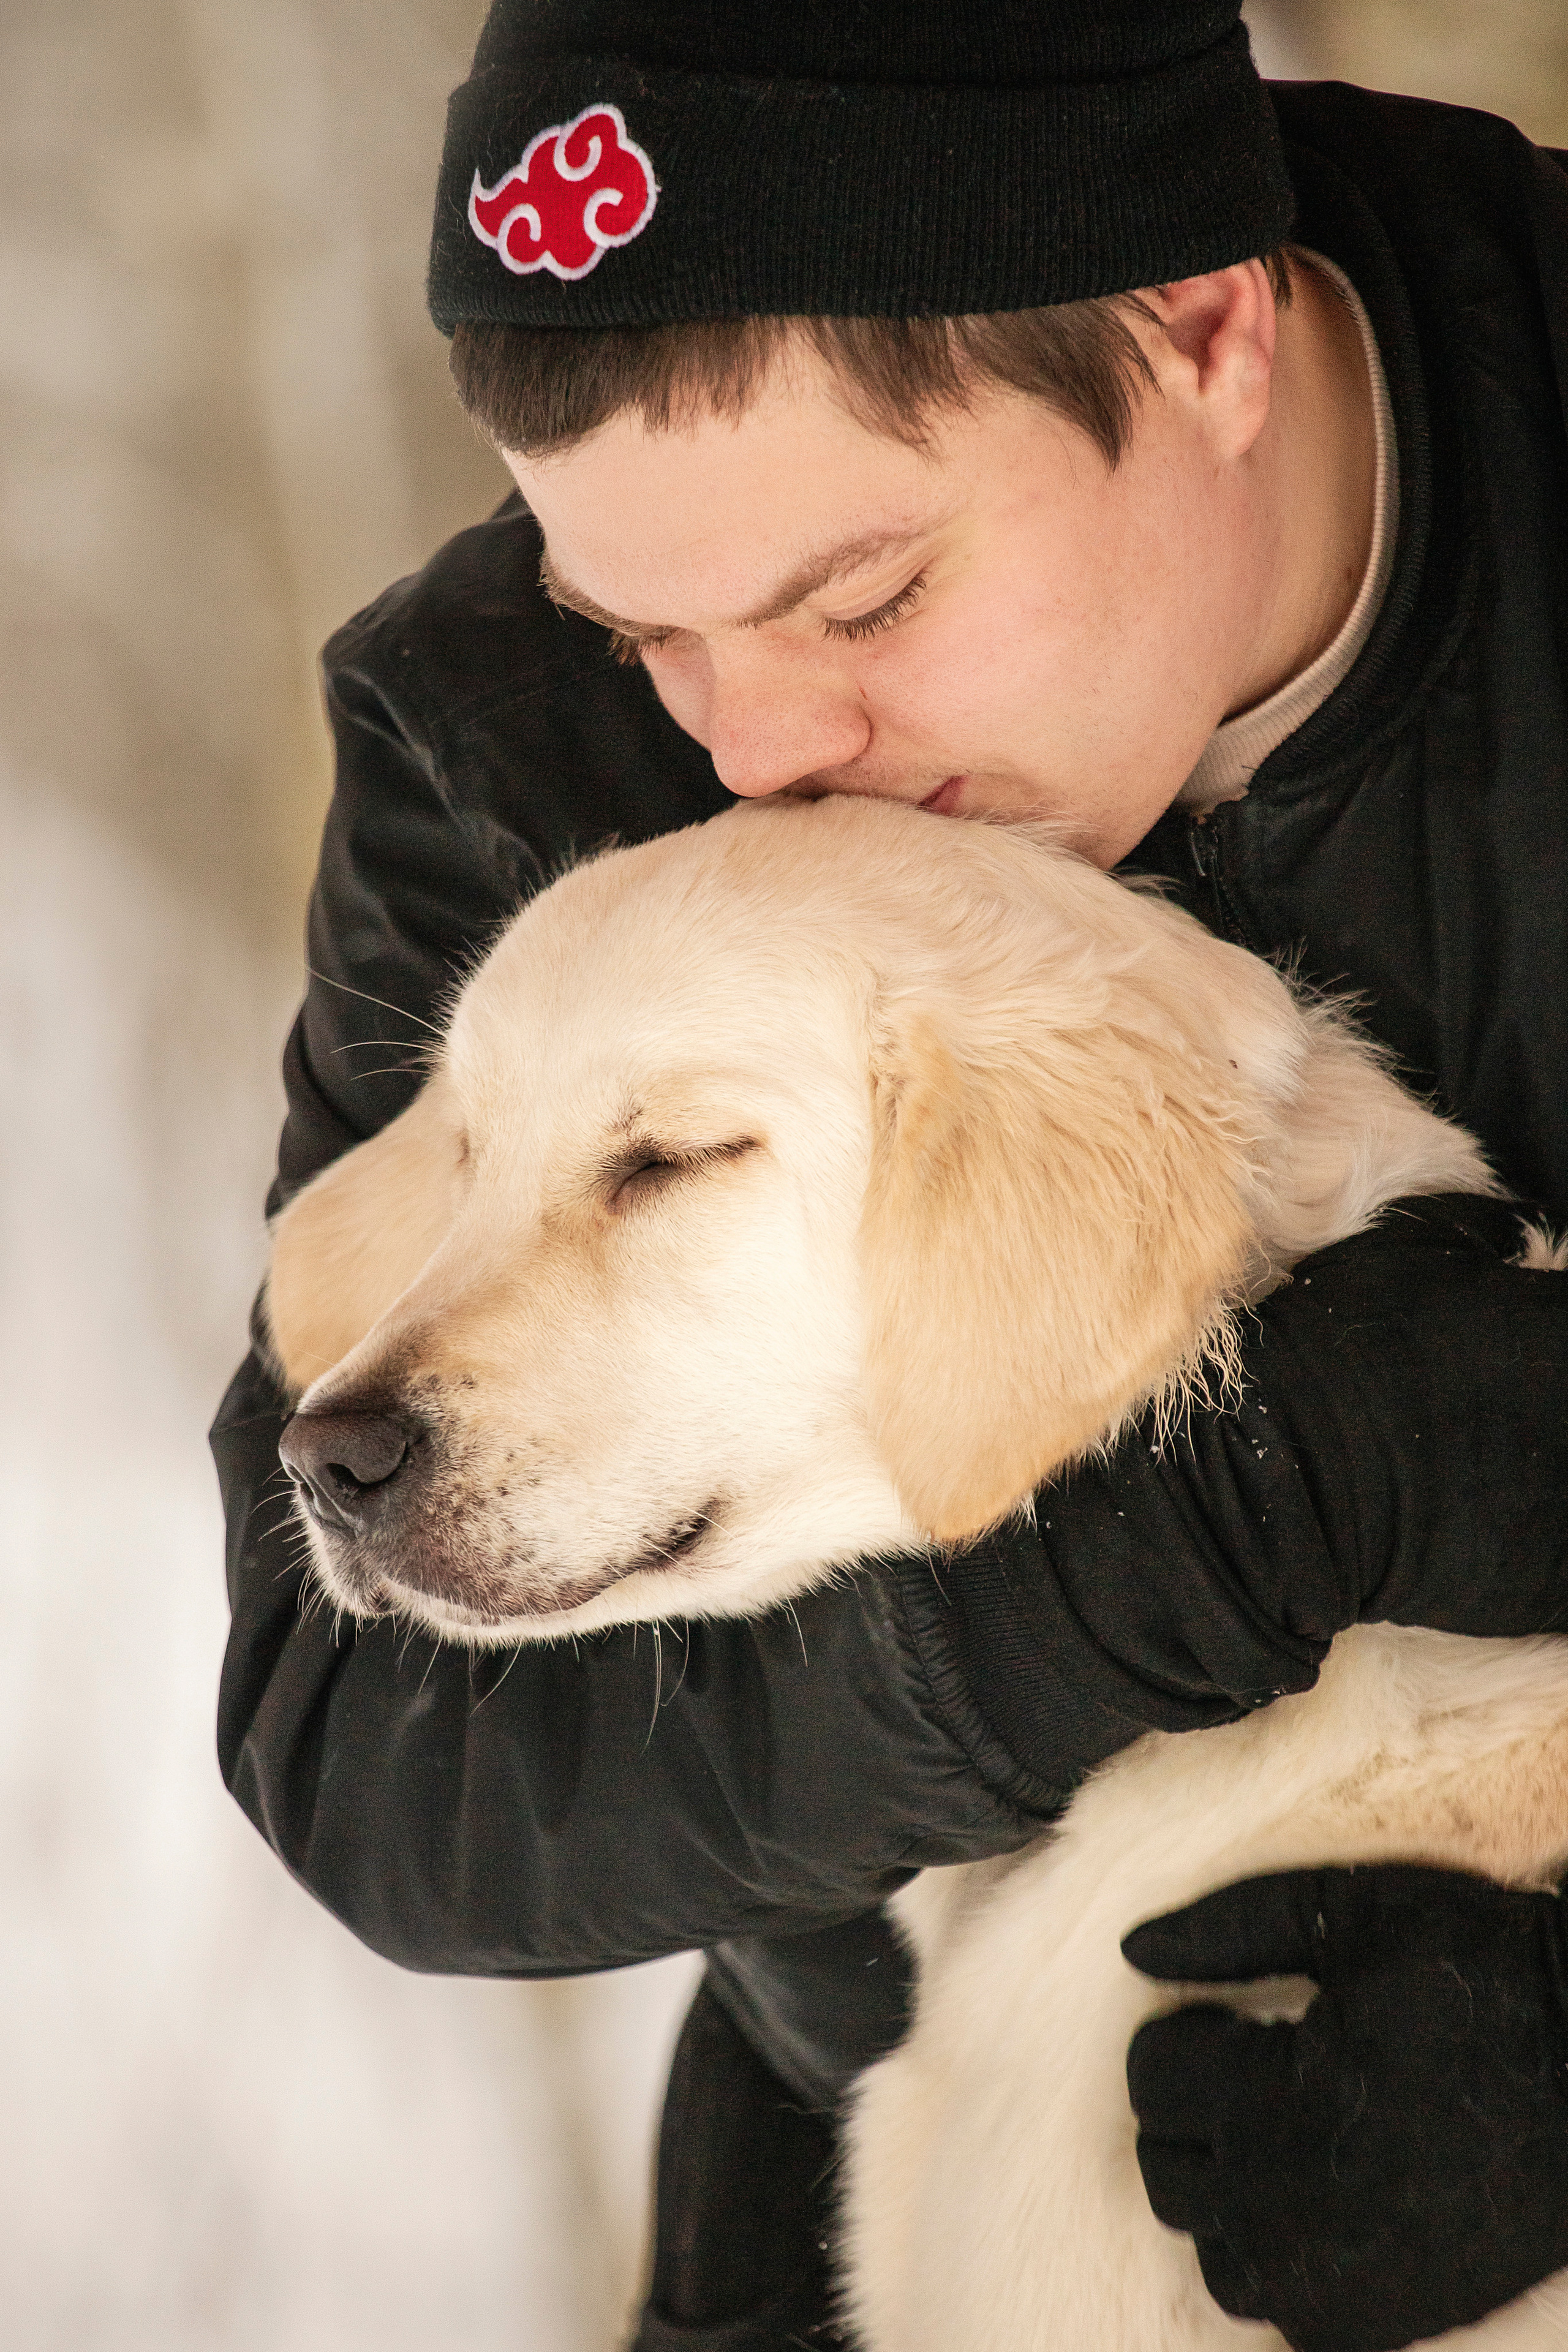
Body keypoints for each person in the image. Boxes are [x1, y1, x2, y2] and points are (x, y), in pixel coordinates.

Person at [213, 3, 1568, 2346]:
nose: (756, 750)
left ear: (1205, 332)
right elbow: (382, 1765)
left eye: (866, 603)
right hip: (875, 2154)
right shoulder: (496, 732)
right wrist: (1223, 1524)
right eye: (646, 633)